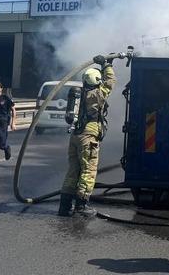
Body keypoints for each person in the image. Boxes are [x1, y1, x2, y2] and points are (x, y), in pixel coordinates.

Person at [58, 55, 116, 218]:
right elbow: (110, 82)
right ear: (97, 80)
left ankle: (64, 207)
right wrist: (106, 66)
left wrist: (105, 66)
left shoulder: (80, 94)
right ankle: (81, 205)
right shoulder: (96, 94)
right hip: (88, 136)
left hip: (76, 135)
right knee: (88, 170)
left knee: (73, 171)